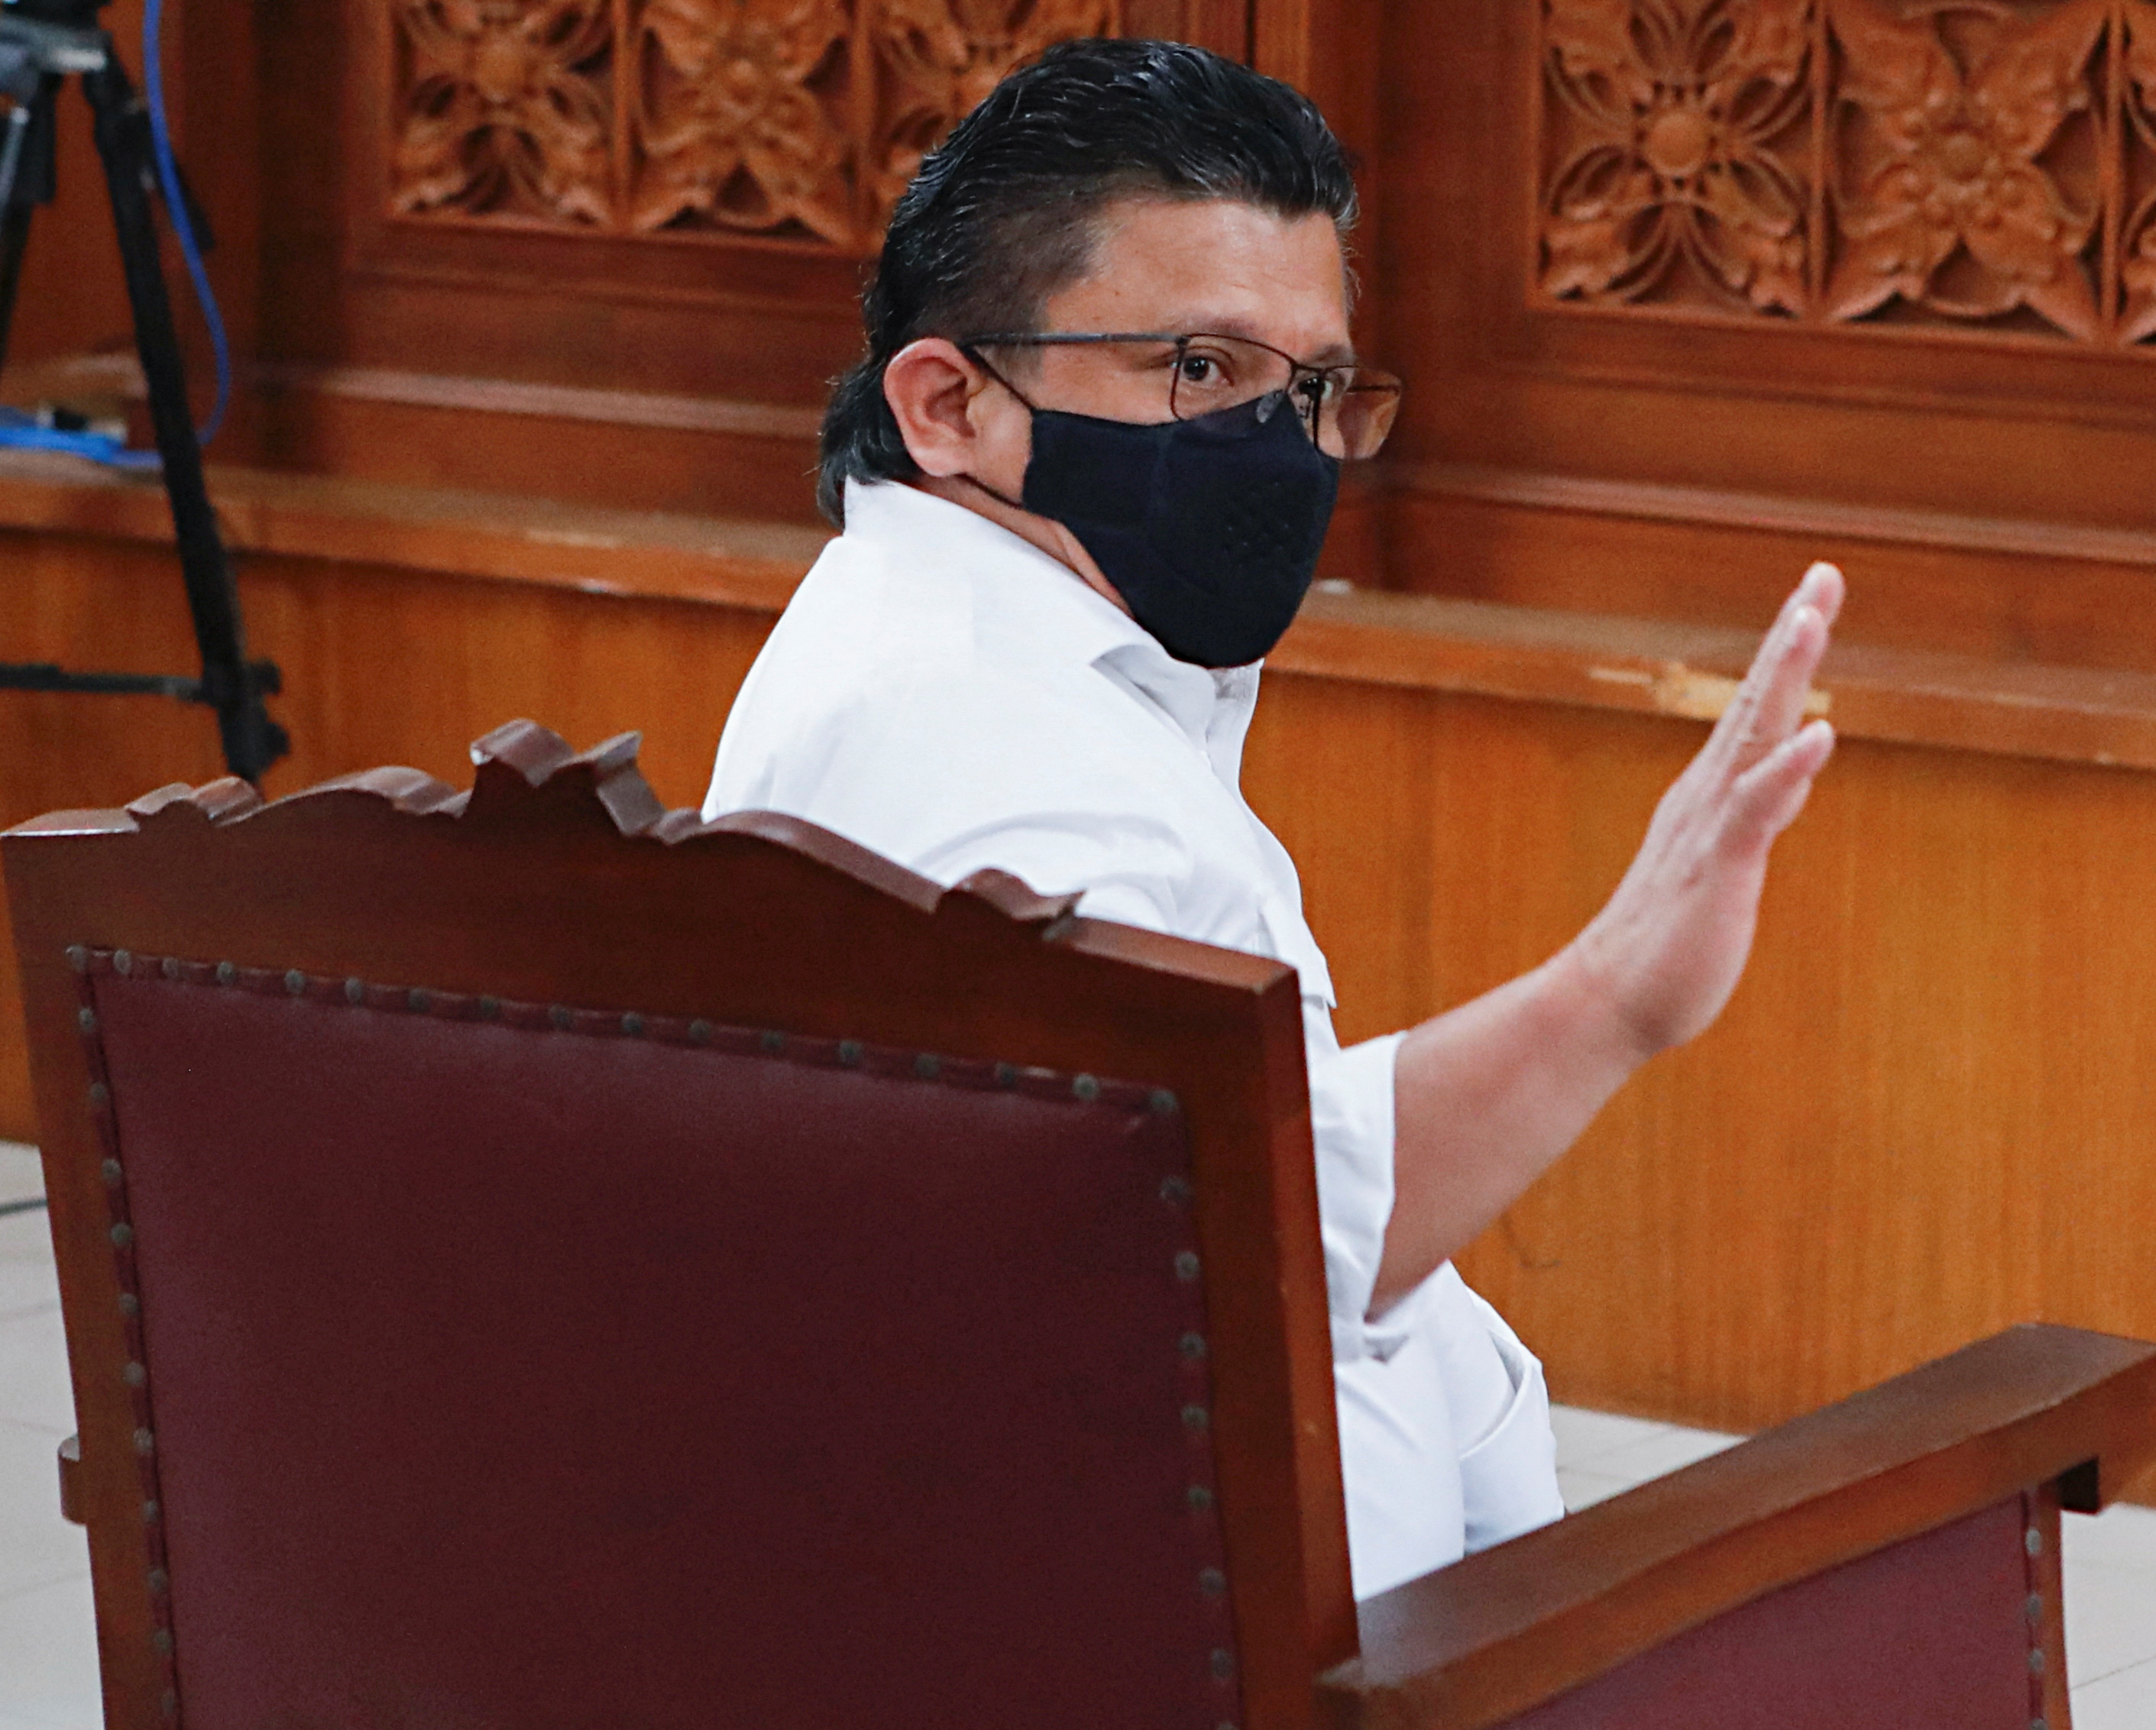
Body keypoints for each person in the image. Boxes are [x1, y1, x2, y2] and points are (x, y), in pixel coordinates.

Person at [703, 37, 1842, 1600]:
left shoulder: (956, 637)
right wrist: (1613, 995)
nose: (1277, 446)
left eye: (1309, 388)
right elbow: (1221, 1251)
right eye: (1199, 370)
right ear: (949, 401)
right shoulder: (986, 753)